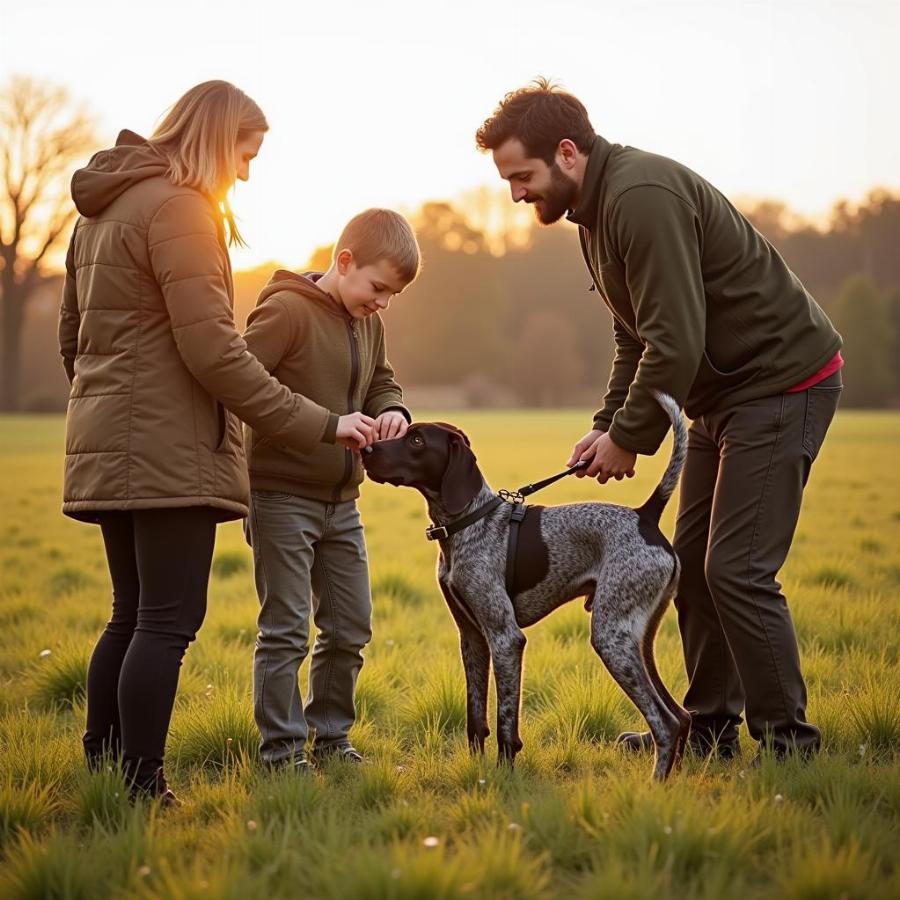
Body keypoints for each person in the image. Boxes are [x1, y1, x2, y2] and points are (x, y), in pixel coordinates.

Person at [476, 79, 843, 761]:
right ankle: (707, 730)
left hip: (781, 383)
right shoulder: (595, 211)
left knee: (736, 568)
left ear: (566, 152)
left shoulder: (641, 198)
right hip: (715, 398)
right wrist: (608, 422)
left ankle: (792, 746)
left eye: (521, 176)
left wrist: (631, 437)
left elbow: (675, 340)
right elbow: (635, 335)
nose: (517, 194)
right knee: (695, 568)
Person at [58, 80, 372, 803]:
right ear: (213, 137)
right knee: (167, 620)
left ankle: (105, 772)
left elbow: (73, 340)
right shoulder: (182, 208)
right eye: (245, 153)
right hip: (167, 448)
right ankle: (142, 785)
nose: (247, 172)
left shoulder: (99, 211)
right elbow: (216, 354)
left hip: (107, 438)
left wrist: (111, 407)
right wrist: (323, 423)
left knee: (129, 612)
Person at [242, 208, 419, 770]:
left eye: (392, 294)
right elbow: (243, 385)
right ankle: (282, 753)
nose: (383, 302)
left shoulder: (369, 320)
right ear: (344, 262)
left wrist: (391, 411)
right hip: (279, 495)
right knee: (287, 631)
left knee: (350, 625)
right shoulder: (285, 310)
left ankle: (332, 739)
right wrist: (326, 424)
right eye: (377, 287)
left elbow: (381, 380)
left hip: (343, 500)